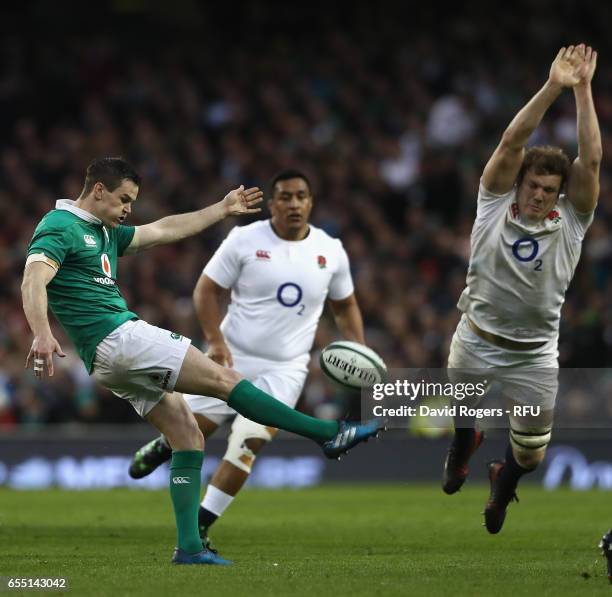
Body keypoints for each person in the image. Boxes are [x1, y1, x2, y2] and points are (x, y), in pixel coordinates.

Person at [21, 158, 383, 565]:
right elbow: (34, 277)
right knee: (225, 380)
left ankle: (190, 547)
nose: (128, 209)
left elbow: (160, 230)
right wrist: (41, 331)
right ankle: (327, 433)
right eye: (124, 199)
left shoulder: (100, 231)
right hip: (120, 337)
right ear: (99, 190)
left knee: (188, 435)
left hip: (103, 359)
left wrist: (221, 209)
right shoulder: (60, 225)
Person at [128, 169, 366, 550]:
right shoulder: (243, 240)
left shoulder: (330, 250)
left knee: (248, 443)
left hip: (286, 368)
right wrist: (215, 341)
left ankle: (201, 526)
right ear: (272, 204)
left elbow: (346, 304)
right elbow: (205, 291)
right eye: (285, 197)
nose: (293, 203)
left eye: (300, 196)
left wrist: (360, 348)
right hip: (231, 358)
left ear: (310, 203)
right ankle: (163, 446)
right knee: (193, 431)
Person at [441, 45, 601, 533]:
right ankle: (463, 442)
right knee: (464, 412)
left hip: (533, 353)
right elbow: (513, 141)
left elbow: (591, 161)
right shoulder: (493, 203)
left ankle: (502, 480)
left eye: (549, 190)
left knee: (531, 455)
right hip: (476, 338)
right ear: (520, 184)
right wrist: (554, 85)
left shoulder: (571, 223)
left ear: (559, 194)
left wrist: (584, 89)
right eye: (532, 184)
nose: (538, 194)